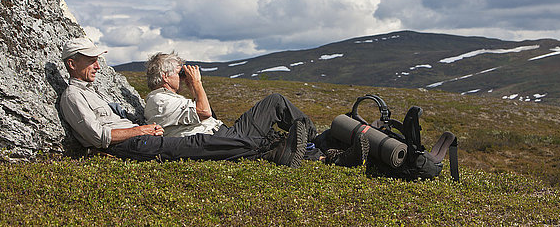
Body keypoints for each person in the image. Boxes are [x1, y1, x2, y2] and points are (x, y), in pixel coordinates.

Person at [59, 37, 307, 166]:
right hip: (133, 144)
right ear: (72, 64)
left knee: (272, 103)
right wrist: (140, 129)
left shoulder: (91, 92)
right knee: (199, 144)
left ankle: (305, 143)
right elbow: (96, 136)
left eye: (96, 59)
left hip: (143, 140)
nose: (97, 65)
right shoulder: (73, 96)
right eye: (90, 60)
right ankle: (278, 150)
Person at [143, 51, 369, 167]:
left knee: (276, 114)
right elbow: (204, 112)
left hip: (223, 133)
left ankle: (322, 148)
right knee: (273, 121)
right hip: (219, 140)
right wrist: (197, 84)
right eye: (178, 73)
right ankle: (324, 148)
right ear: (164, 76)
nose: (182, 78)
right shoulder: (159, 101)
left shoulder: (167, 98)